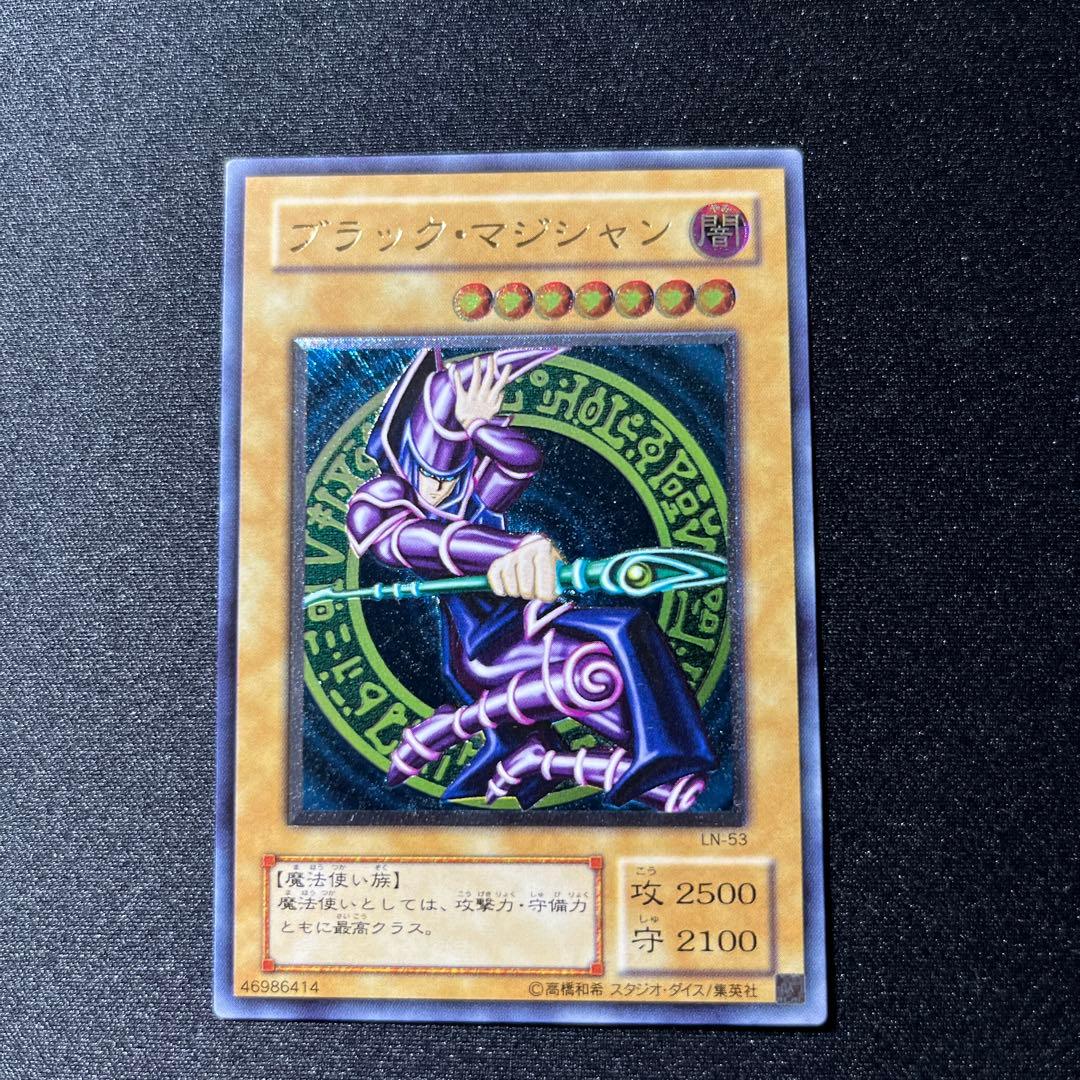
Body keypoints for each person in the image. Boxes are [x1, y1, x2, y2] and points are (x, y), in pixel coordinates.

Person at [346, 346, 715, 812]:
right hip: (485, 646)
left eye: (451, 476)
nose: (439, 489)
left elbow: (521, 461)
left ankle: (543, 760)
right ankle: (465, 726)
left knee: (674, 770)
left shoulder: (469, 494)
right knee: (597, 670)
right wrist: (508, 551)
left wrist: (478, 427)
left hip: (527, 623)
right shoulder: (383, 500)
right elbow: (414, 541)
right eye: (427, 474)